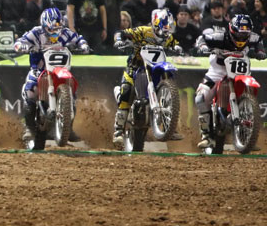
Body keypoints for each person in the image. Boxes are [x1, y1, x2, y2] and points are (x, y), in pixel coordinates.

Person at [13, 8, 89, 144]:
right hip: (40, 69)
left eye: (57, 28)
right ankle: (29, 128)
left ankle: (68, 127)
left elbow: (78, 38)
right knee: (30, 91)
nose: (54, 31)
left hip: (59, 69)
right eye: (51, 28)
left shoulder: (65, 33)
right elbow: (19, 42)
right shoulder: (36, 32)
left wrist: (83, 45)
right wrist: (22, 47)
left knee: (72, 90)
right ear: (44, 25)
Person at [193, 14, 266, 149]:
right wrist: (203, 47)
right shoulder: (219, 36)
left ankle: (248, 137)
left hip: (240, 72)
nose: (242, 37)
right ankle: (206, 135)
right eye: (239, 34)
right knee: (201, 97)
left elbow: (259, 41)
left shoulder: (252, 37)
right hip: (218, 72)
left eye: (245, 34)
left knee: (249, 93)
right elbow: (202, 38)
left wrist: (260, 51)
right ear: (232, 30)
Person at [111, 9, 180, 147]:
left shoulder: (168, 37)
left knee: (168, 81)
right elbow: (121, 33)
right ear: (156, 24)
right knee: (126, 91)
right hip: (136, 66)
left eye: (169, 28)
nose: (166, 32)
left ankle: (170, 126)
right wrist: (119, 40)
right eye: (164, 27)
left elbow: (175, 44)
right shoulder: (143, 31)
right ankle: (118, 131)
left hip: (155, 68)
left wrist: (178, 47)